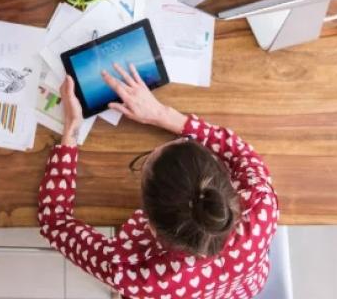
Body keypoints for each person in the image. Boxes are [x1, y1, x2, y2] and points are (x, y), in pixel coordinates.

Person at [38, 64, 278, 298]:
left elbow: (54, 221)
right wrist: (162, 115)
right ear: (221, 178)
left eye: (144, 162)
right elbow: (241, 153)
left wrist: (71, 130)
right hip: (242, 289)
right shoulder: (261, 204)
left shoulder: (131, 273)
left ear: (149, 224)